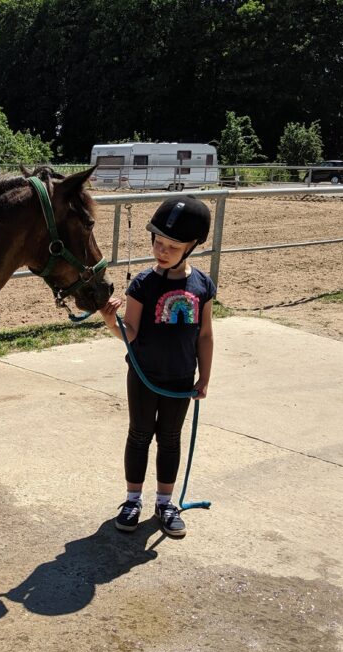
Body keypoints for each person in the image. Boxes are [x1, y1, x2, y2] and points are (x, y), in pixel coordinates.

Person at [101, 196, 215, 538]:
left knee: (170, 439)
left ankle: (165, 502)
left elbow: (205, 334)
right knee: (139, 435)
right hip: (144, 376)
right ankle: (132, 499)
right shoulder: (143, 284)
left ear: (192, 246)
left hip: (181, 378)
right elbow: (131, 332)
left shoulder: (202, 286)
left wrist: (204, 377)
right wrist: (111, 320)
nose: (161, 250)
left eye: (171, 245)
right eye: (157, 242)